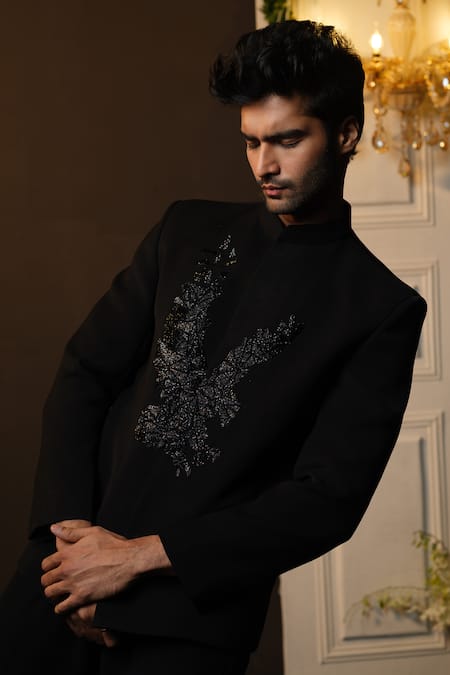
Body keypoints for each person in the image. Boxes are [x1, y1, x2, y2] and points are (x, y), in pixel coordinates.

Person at [1, 19, 426, 675]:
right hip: (58, 577)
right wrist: (67, 542)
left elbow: (325, 499)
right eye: (251, 141)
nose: (264, 165)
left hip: (188, 619)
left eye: (287, 140)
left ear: (346, 134)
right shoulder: (185, 230)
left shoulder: (379, 307)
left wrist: (136, 558)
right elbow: (85, 371)